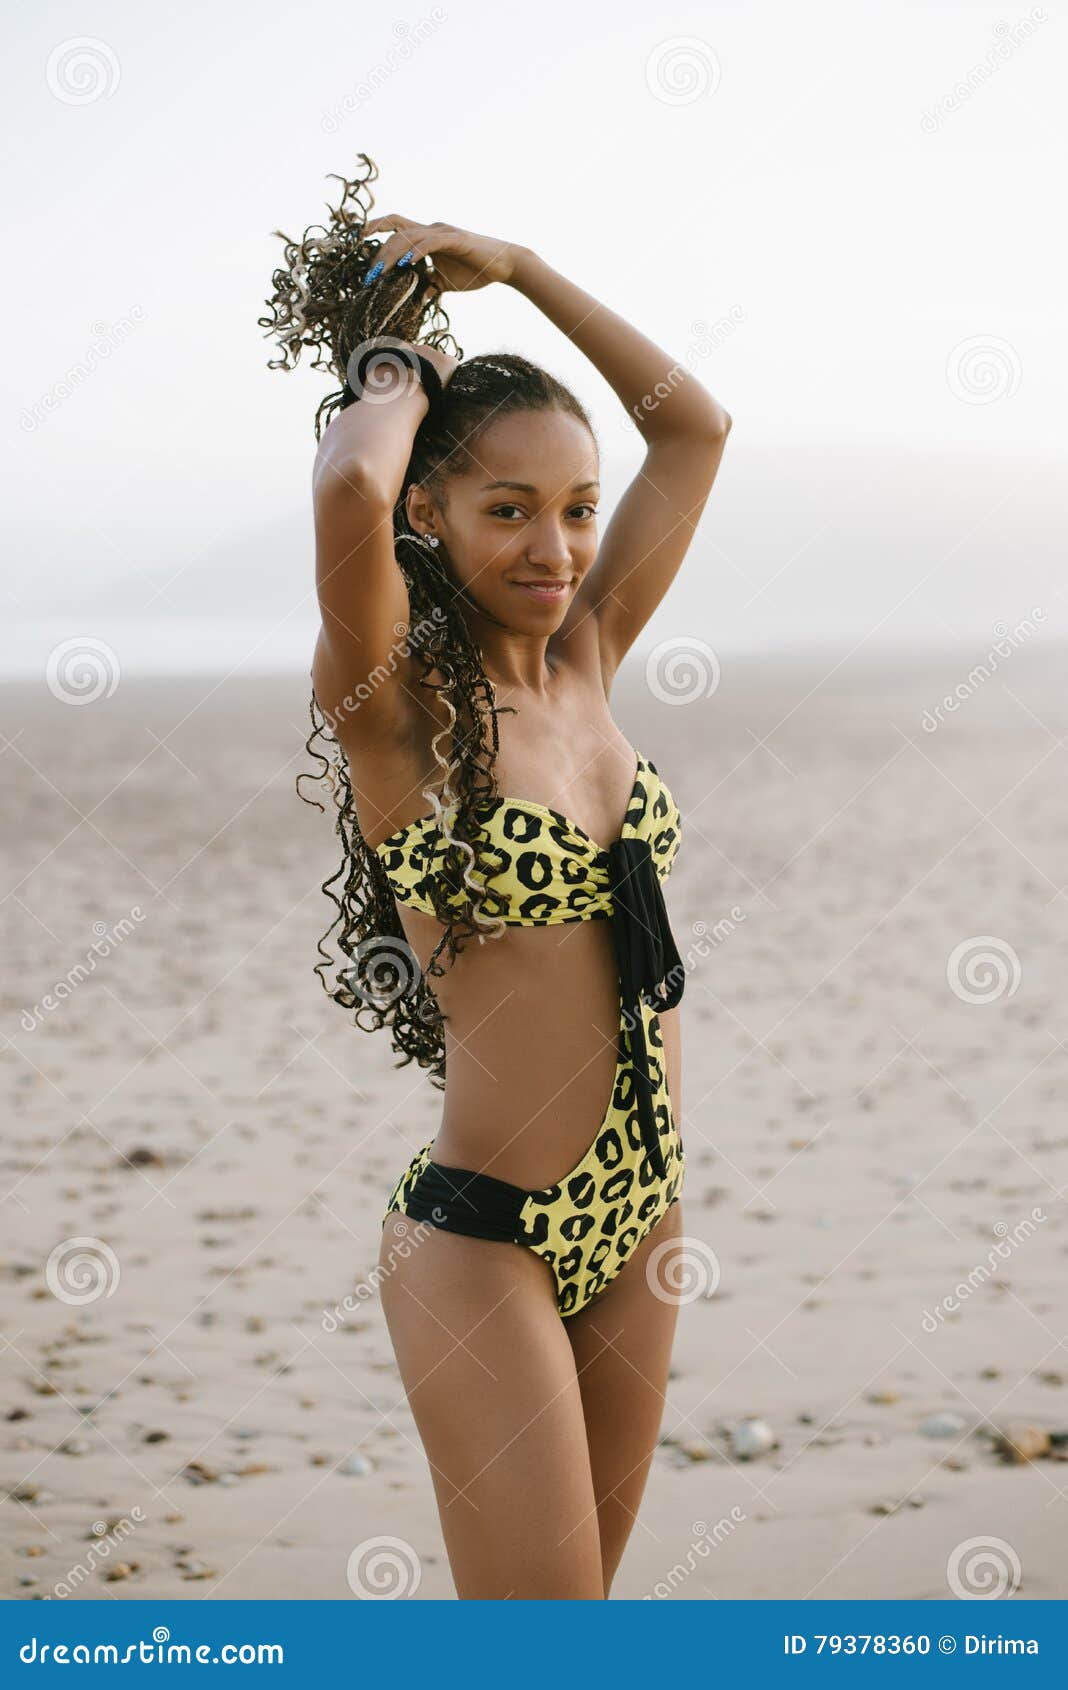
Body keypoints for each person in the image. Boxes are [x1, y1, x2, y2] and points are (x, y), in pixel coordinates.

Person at [262, 158, 731, 1599]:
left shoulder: (586, 658)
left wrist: (522, 263)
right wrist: (398, 344)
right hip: (484, 1239)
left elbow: (697, 428)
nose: (556, 545)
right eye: (509, 508)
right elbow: (349, 473)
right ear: (433, 518)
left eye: (577, 509)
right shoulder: (394, 701)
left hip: (639, 1215)